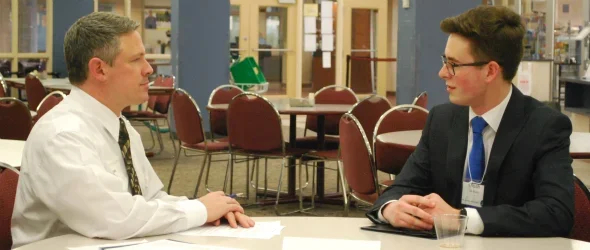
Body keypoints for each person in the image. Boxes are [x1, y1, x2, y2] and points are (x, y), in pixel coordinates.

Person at [11, 12, 254, 247]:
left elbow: (150, 199)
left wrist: (207, 209)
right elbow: (113, 218)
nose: (149, 69)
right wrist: (199, 210)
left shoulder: (121, 127)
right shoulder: (63, 134)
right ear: (99, 70)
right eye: (136, 59)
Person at [366, 6, 574, 237]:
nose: (442, 73)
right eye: (445, 61)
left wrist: (463, 219)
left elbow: (557, 212)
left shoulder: (545, 126)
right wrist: (391, 209)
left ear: (490, 71)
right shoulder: (441, 120)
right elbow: (402, 188)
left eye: (453, 64)